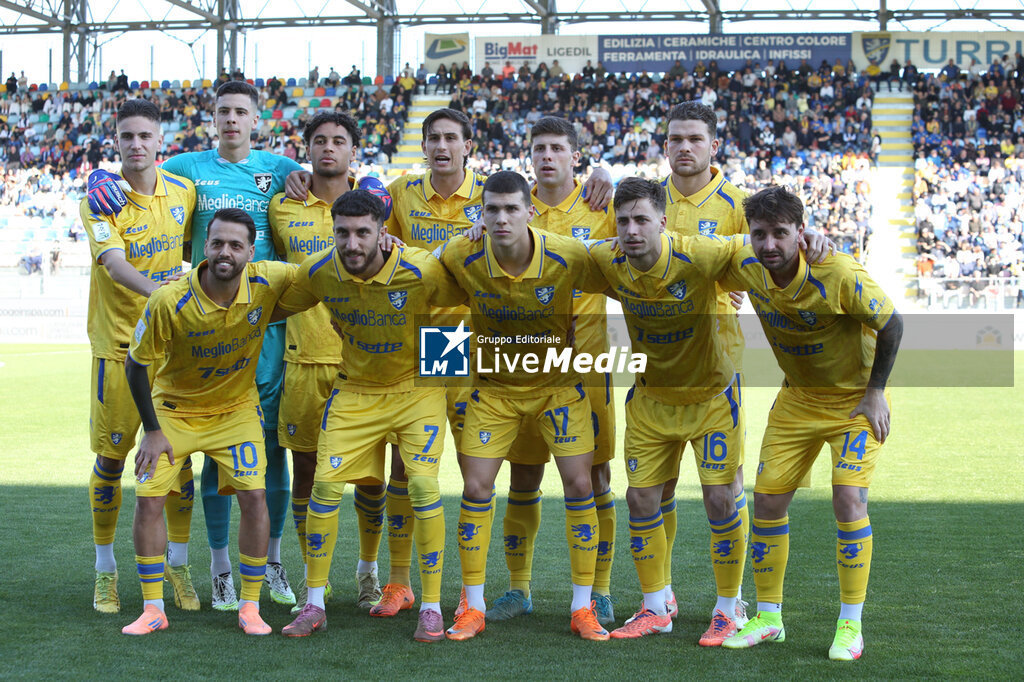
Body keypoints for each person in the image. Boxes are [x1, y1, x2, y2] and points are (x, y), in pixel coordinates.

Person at [91, 80, 306, 609]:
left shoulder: (276, 169)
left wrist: (365, 181)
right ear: (210, 118)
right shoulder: (185, 171)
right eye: (222, 111)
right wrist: (97, 174)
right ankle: (171, 569)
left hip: (255, 325)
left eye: (241, 111)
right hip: (160, 332)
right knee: (131, 458)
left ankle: (246, 565)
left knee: (262, 449)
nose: (232, 119)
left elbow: (328, 176)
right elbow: (129, 186)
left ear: (257, 119)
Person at [720, 186, 903, 661]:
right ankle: (768, 618)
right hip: (797, 401)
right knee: (767, 503)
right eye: (759, 234)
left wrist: (876, 391)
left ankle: (850, 625)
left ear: (801, 233)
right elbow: (690, 251)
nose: (769, 245)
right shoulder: (745, 265)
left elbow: (892, 323)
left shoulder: (837, 271)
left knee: (848, 497)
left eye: (781, 233)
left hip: (853, 405)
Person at [274, 190, 464, 642]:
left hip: (416, 390)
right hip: (355, 391)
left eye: (363, 232)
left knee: (421, 484)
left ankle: (433, 608)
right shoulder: (320, 271)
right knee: (323, 485)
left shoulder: (420, 268)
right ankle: (314, 603)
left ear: (383, 234)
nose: (352, 243)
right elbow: (271, 304)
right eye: (342, 232)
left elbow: (465, 300)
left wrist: (442, 369)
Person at [435, 171, 611, 642]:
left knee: (580, 484)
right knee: (476, 489)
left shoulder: (568, 253)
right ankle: (473, 607)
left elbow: (627, 273)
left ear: (530, 212)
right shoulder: (460, 253)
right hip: (493, 390)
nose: (501, 218)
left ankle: (583, 607)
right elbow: (416, 274)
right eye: (492, 209)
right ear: (481, 214)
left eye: (512, 208)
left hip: (559, 386)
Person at [586, 178, 749, 642]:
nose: (632, 231)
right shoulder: (607, 258)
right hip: (651, 401)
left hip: (711, 398)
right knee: (640, 500)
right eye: (623, 222)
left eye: (642, 220)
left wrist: (806, 237)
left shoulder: (701, 254)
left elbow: (753, 242)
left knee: (720, 500)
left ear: (663, 221)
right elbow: (550, 250)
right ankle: (656, 607)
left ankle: (727, 608)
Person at [121, 208, 296, 636]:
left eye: (236, 245)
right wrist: (153, 430)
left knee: (255, 498)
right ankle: (152, 609)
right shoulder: (169, 299)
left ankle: (250, 606)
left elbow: (324, 270)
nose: (225, 252)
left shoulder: (268, 279)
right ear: (205, 246)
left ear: (251, 252)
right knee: (149, 500)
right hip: (174, 412)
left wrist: (389, 244)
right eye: (217, 242)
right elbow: (135, 364)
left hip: (236, 411)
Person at [474, 117, 619, 626]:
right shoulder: (510, 206)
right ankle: (519, 589)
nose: (547, 157)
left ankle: (598, 591)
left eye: (558, 148)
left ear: (575, 156)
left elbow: (653, 218)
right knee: (523, 477)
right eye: (539, 148)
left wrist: (613, 175)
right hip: (518, 366)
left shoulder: (601, 205)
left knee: (595, 480)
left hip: (586, 367)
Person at [81, 98, 198, 615]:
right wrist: (161, 292)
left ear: (159, 142)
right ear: (116, 142)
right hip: (118, 348)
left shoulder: (184, 192)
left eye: (144, 136)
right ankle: (105, 571)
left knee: (179, 460)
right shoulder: (101, 200)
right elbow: (111, 262)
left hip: (171, 352)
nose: (135, 144)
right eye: (126, 136)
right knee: (110, 460)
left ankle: (179, 564)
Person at [269, 110, 384, 614]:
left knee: (370, 477)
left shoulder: (379, 204)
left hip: (364, 363)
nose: (329, 148)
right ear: (307, 148)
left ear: (354, 151)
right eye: (319, 140)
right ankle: (314, 579)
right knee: (308, 471)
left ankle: (369, 572)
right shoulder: (282, 205)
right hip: (303, 360)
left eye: (339, 140)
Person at [657, 100, 752, 641]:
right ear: (665, 146)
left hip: (719, 369)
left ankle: (729, 602)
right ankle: (660, 596)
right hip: (659, 368)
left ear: (715, 146)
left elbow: (765, 256)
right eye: (675, 139)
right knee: (654, 491)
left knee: (723, 491)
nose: (684, 147)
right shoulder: (646, 201)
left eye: (695, 138)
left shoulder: (738, 205)